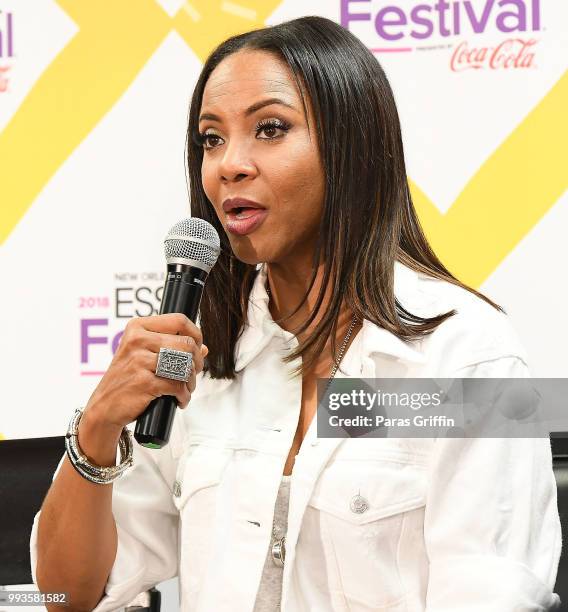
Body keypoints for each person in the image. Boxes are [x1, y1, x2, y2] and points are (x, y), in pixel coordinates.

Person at [31, 15, 561, 612]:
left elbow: (491, 595)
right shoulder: (199, 362)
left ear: (352, 147)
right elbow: (62, 598)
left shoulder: (468, 354)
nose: (229, 164)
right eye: (211, 138)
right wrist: (97, 429)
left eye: (270, 128)